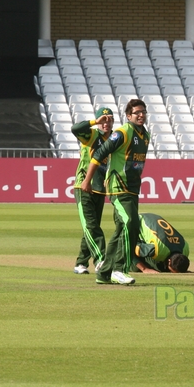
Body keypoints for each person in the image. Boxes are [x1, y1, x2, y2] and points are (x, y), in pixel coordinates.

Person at [81, 98, 149, 286]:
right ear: (129, 116)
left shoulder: (145, 135)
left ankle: (103, 273)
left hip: (133, 189)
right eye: (137, 112)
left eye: (143, 111)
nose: (141, 115)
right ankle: (119, 269)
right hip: (119, 187)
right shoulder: (121, 133)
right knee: (131, 223)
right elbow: (98, 154)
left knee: (122, 230)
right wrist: (87, 180)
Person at [70, 107, 113, 275]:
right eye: (104, 119)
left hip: (101, 189)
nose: (106, 122)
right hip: (83, 186)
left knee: (90, 227)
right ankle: (101, 259)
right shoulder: (91, 136)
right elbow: (75, 129)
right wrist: (95, 122)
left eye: (109, 119)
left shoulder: (114, 139)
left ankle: (80, 262)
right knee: (91, 225)